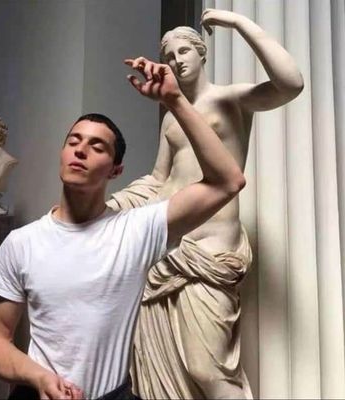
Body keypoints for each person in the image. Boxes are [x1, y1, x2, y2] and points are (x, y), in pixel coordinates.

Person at [0, 56, 246, 400]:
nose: (80, 151)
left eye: (97, 146)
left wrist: (175, 100)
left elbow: (228, 181)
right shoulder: (22, 242)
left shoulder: (138, 229)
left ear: (116, 170)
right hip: (35, 392)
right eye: (73, 141)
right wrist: (39, 377)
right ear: (62, 153)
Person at [107, 9, 304, 400]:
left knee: (207, 369)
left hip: (210, 253)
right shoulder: (171, 119)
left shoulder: (229, 100)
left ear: (202, 53)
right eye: (169, 56)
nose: (177, 60)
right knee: (161, 372)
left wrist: (239, 23)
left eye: (184, 51)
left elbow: (290, 84)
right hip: (165, 253)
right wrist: (110, 207)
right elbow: (159, 180)